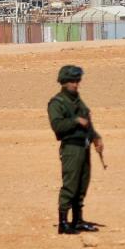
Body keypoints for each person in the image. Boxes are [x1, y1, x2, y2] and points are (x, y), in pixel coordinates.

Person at [47, 64, 104, 234]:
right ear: (64, 82)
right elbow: (57, 125)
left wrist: (95, 137)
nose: (76, 84)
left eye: (77, 81)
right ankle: (63, 223)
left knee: (82, 184)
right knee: (70, 185)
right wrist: (75, 121)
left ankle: (77, 220)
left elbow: (87, 120)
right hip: (71, 148)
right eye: (72, 81)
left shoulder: (78, 100)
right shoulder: (57, 103)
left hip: (83, 146)